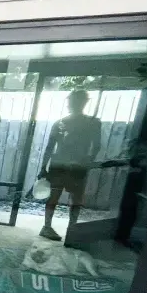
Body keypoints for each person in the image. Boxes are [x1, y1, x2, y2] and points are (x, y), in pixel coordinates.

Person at [39, 87, 102, 241]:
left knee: (73, 198)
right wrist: (43, 167)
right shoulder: (63, 123)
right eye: (74, 101)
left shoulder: (91, 122)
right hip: (62, 164)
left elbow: (97, 145)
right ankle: (51, 226)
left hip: (70, 165)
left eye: (76, 101)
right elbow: (49, 146)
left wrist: (89, 159)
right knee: (59, 197)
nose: (74, 103)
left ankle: (67, 228)